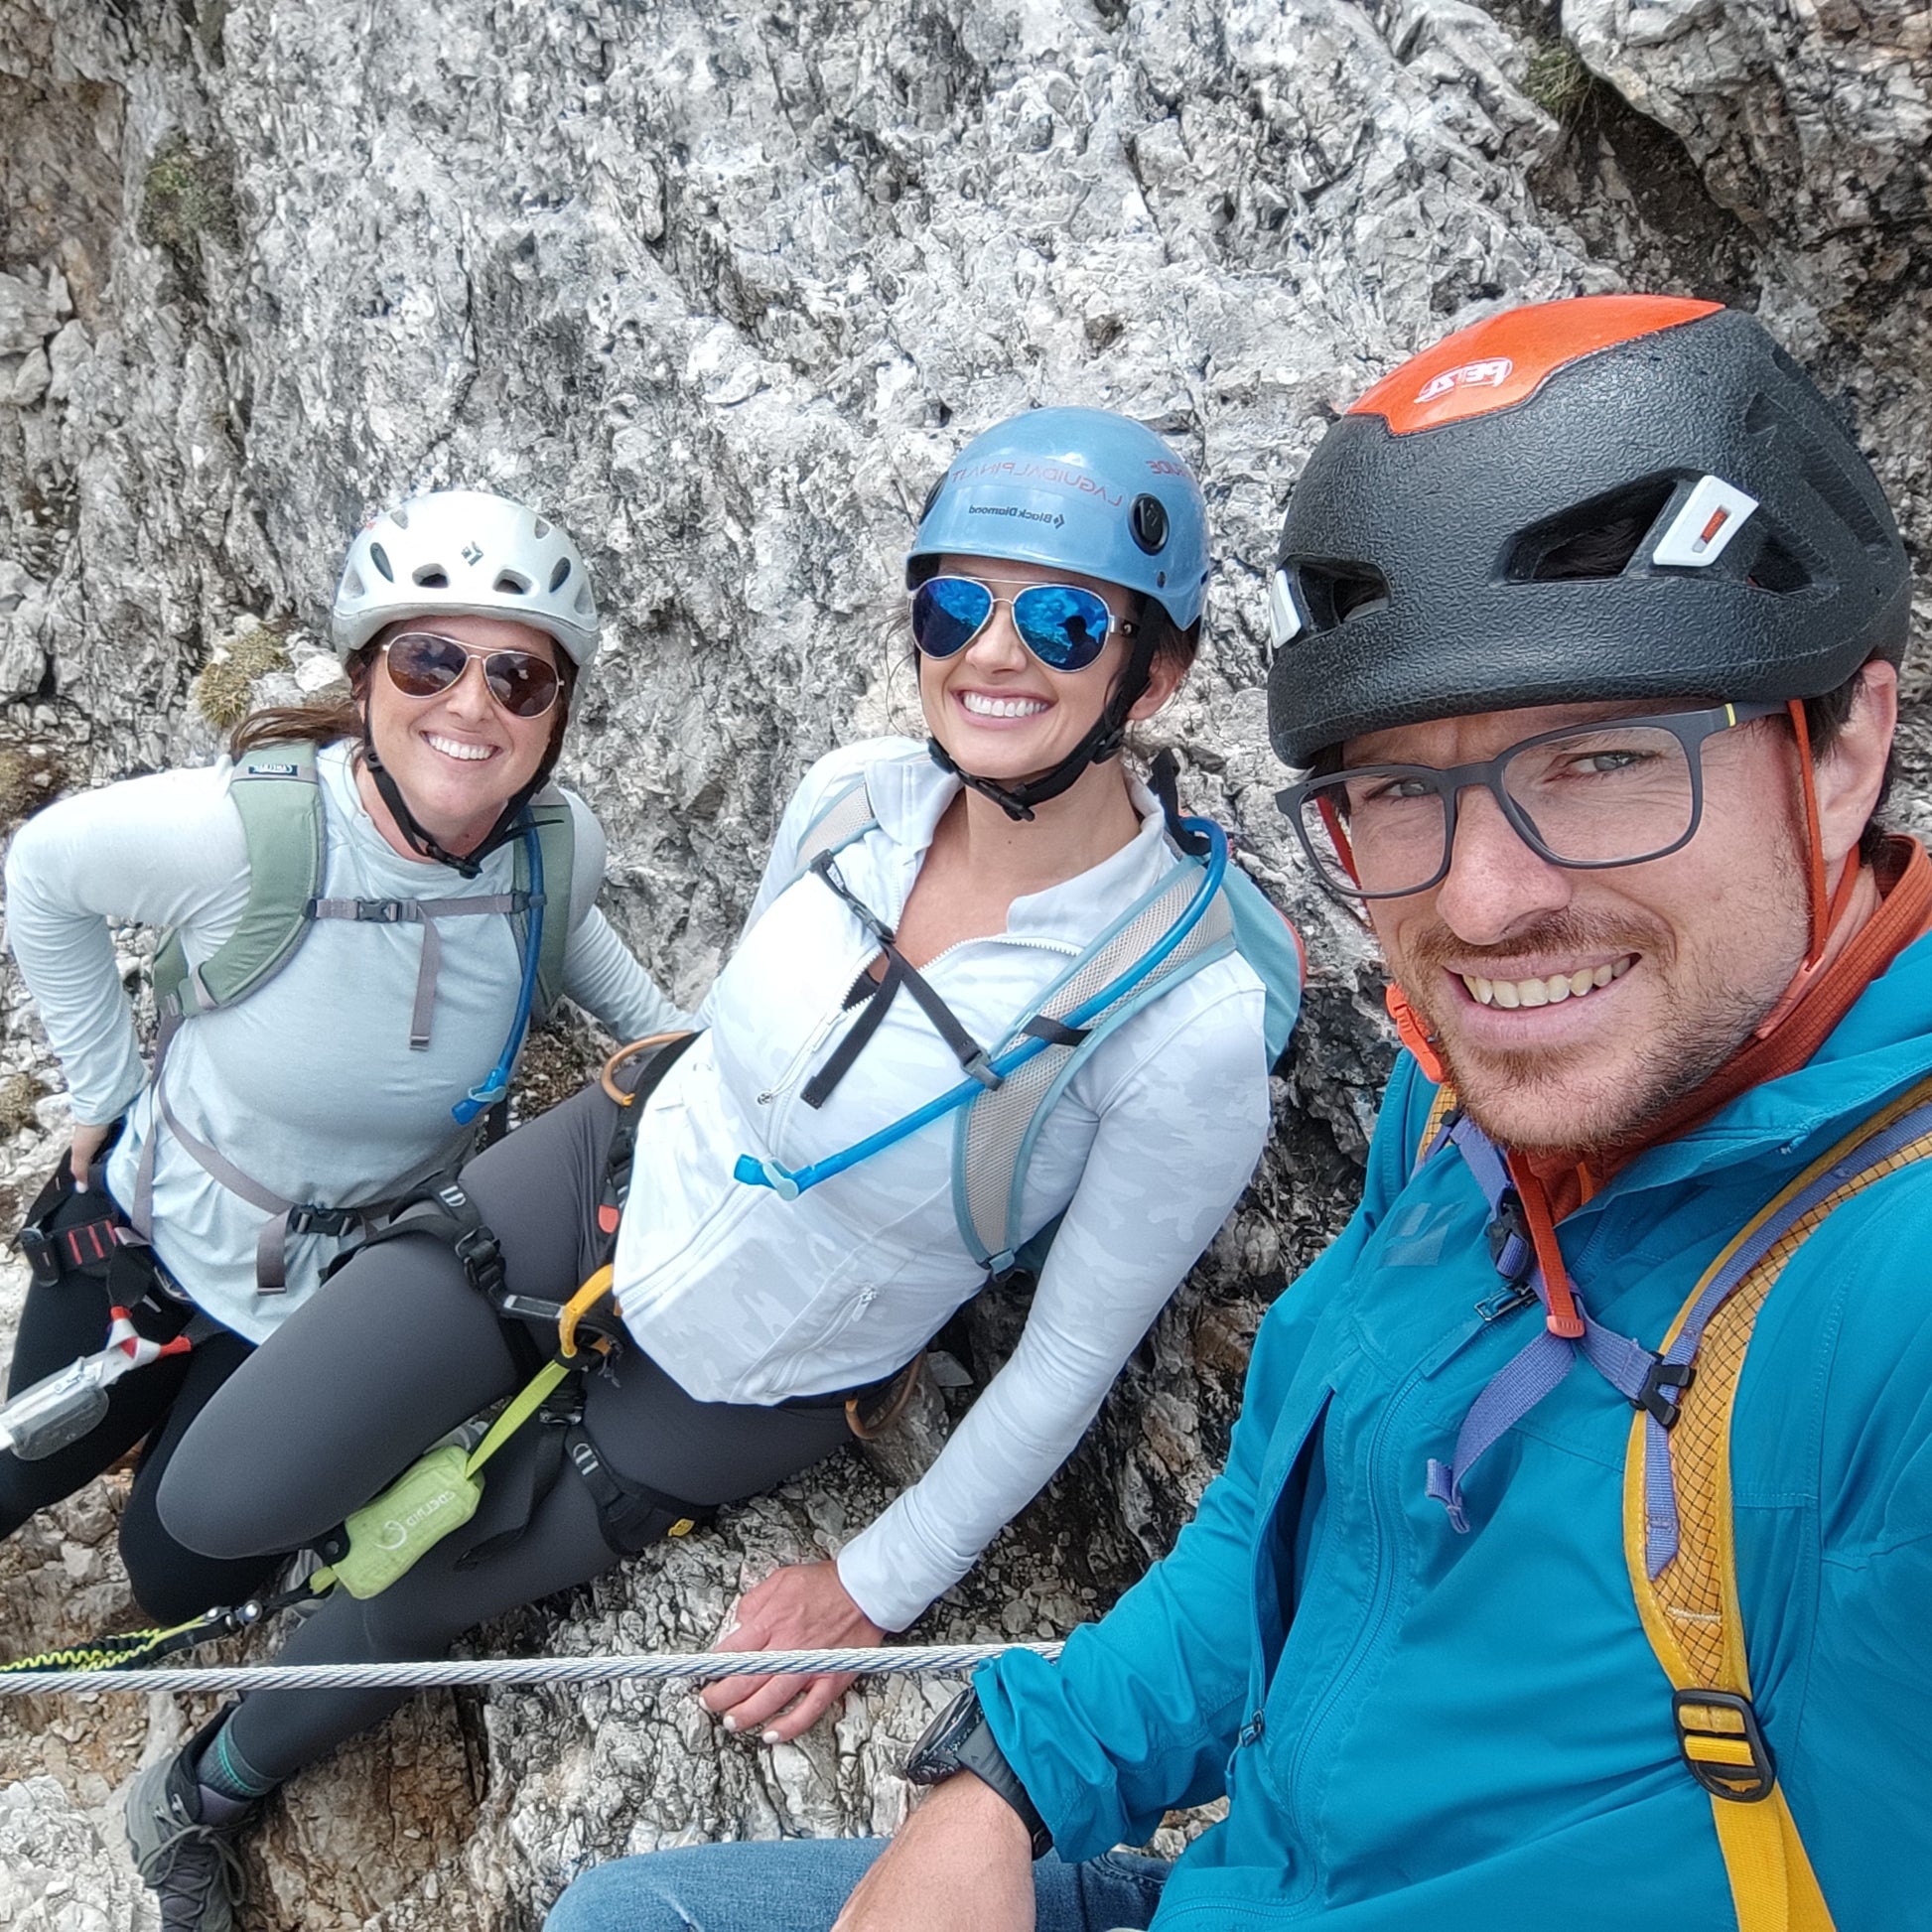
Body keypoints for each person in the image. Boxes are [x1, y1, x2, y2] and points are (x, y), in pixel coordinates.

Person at [543, 294, 1932, 1932]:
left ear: (1841, 743)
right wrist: (1008, 1774)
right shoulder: (1463, 1112)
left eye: (1607, 759)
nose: (1483, 906)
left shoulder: (1882, 1294)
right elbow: (1285, 1528)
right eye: (1398, 788)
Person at [133, 408, 1285, 1931]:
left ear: (1158, 668)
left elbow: (1068, 1357)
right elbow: (738, 1033)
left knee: (404, 1597)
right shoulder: (854, 792)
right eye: (958, 605)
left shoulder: (1186, 1018)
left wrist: (877, 1580)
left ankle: (200, 1790)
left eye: (1063, 617)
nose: (994, 653)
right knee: (216, 1506)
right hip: (596, 1186)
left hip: (759, 1374)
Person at [0, 488, 682, 1633]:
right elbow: (41, 873)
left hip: (331, 1299)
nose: (471, 705)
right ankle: (148, 1415)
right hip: (152, 1237)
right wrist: (104, 1089)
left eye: (517, 677)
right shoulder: (246, 834)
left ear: (554, 710)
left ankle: (176, 1453)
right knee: (23, 1465)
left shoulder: (548, 859)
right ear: (365, 679)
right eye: (428, 663)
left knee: (177, 1571)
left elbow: (637, 1014)